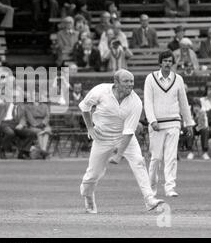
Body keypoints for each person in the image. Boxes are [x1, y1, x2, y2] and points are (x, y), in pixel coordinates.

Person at [78, 69, 165, 214]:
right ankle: (88, 196)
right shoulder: (100, 91)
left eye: (132, 81)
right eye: (126, 81)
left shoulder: (136, 102)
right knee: (93, 174)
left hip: (124, 137)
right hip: (102, 138)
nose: (130, 84)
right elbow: (84, 107)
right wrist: (90, 128)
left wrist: (119, 155)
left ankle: (149, 199)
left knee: (139, 161)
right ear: (116, 82)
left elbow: (129, 131)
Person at [143, 51, 194, 197]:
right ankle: (151, 189)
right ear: (160, 63)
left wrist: (188, 123)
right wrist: (152, 120)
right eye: (164, 61)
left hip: (174, 122)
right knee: (156, 158)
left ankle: (170, 188)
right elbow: (148, 101)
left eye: (170, 61)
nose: (167, 63)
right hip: (156, 124)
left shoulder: (178, 79)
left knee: (171, 157)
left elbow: (184, 103)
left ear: (172, 63)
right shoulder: (150, 79)